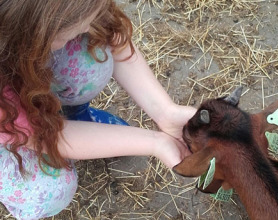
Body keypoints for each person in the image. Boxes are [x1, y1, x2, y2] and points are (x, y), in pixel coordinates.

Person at [0, 0, 196, 219]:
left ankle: (76, 117)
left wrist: (166, 112)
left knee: (93, 48)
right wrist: (156, 142)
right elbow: (46, 137)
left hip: (21, 67)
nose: (85, 27)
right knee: (48, 190)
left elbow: (112, 35)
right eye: (65, 34)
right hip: (7, 118)